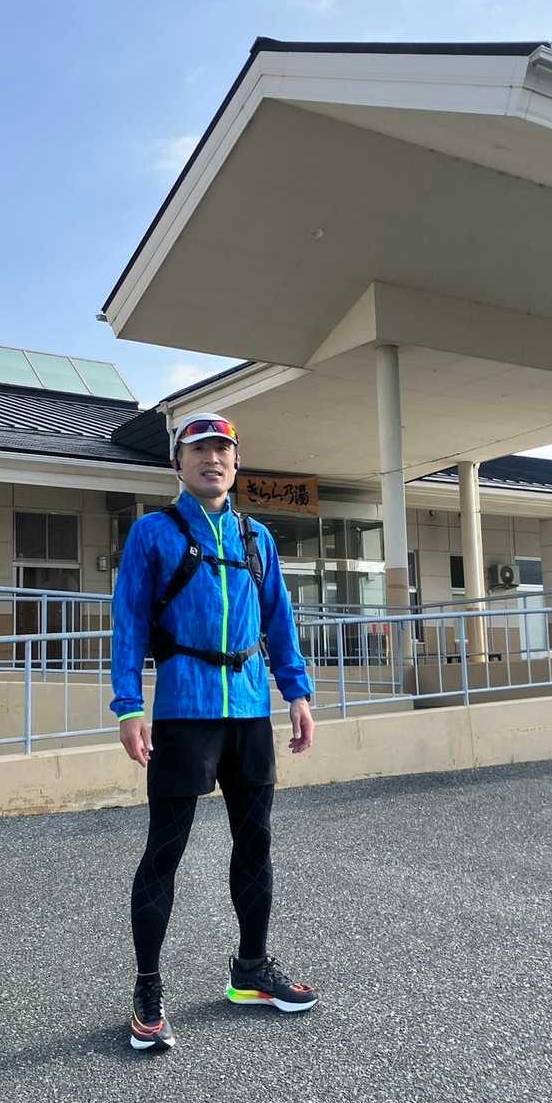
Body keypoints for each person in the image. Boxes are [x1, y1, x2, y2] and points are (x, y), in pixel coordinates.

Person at [110, 411, 318, 1051]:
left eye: (223, 449)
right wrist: (128, 706)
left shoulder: (257, 538)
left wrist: (296, 692)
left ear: (236, 462)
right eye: (199, 449)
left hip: (250, 711)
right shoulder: (152, 533)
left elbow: (279, 619)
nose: (212, 459)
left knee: (255, 842)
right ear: (178, 463)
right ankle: (148, 988)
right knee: (164, 851)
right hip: (184, 711)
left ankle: (250, 970)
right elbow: (128, 621)